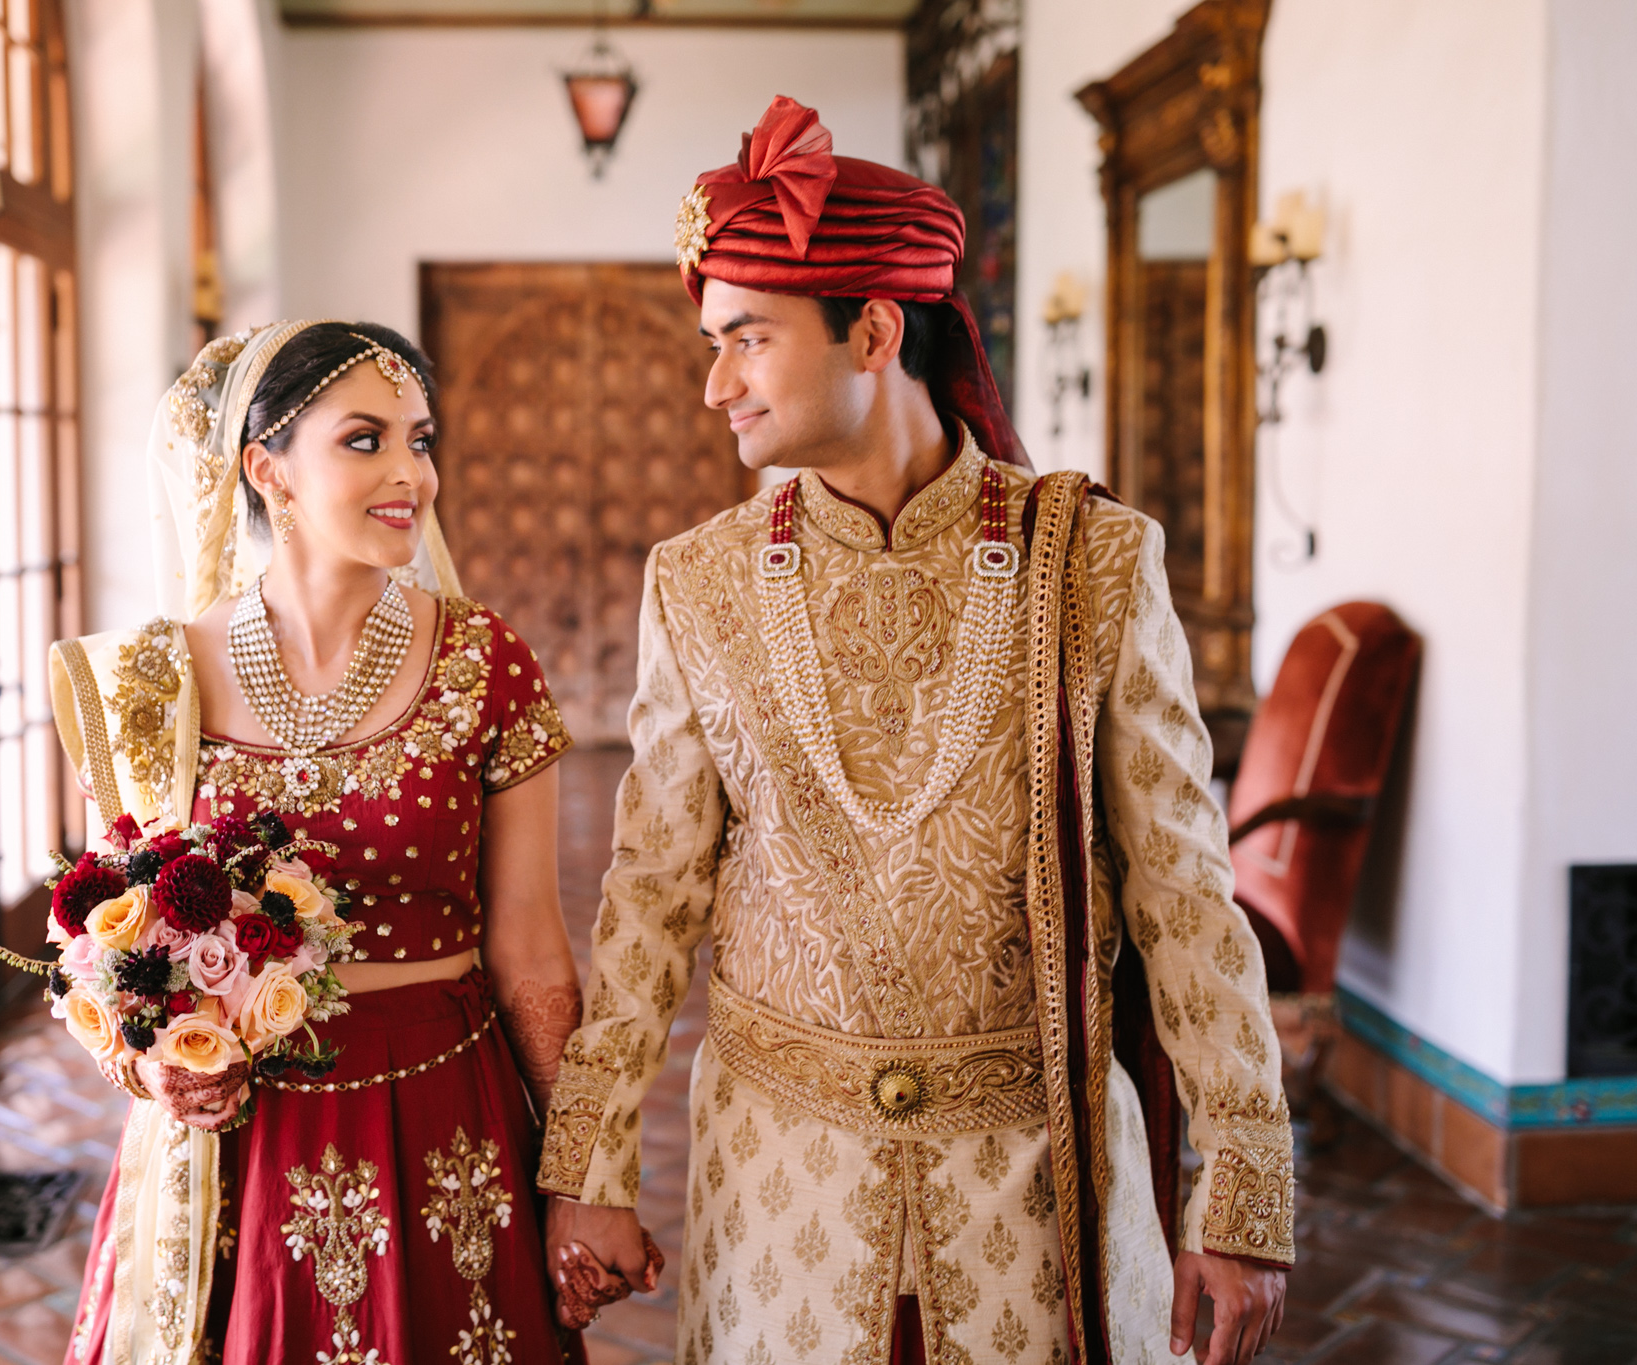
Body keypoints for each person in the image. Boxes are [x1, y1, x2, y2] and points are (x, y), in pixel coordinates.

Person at [538, 98, 1295, 1365]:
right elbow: (650, 897)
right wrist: (591, 1162)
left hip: (1036, 1190)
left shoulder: (1095, 560)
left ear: (874, 330)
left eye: (745, 339)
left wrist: (1243, 1191)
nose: (712, 381)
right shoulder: (699, 579)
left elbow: (1182, 892)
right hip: (780, 1189)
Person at [47, 320, 587, 1364]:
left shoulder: (484, 661)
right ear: (265, 467)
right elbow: (101, 948)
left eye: (420, 441)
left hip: (445, 1117)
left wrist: (582, 1175)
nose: (409, 475)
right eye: (363, 440)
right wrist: (146, 1064)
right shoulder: (149, 684)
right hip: (230, 1153)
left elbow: (531, 949)